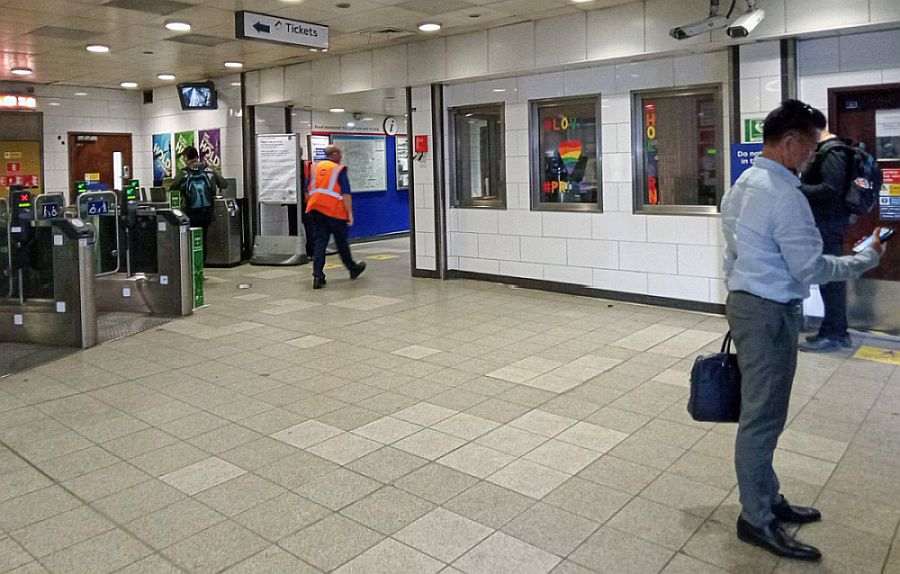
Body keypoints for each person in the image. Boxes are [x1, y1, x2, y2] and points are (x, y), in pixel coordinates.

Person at [721, 99, 886, 561]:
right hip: (770, 312)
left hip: (748, 305)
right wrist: (865, 258)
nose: (813, 157)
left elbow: (732, 255)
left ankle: (768, 498)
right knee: (762, 419)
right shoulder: (785, 196)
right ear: (791, 143)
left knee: (762, 412)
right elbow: (810, 267)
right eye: (812, 148)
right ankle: (755, 518)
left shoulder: (743, 184)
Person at [799, 128, 854, 351]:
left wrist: (799, 188)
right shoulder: (830, 151)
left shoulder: (833, 152)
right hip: (827, 223)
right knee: (829, 280)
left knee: (830, 281)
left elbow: (831, 188)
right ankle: (834, 330)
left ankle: (834, 334)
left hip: (828, 225)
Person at [305, 145, 365, 289]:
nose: (341, 157)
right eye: (340, 154)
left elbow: (306, 190)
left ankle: (317, 276)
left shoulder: (314, 168)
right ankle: (353, 268)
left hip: (316, 210)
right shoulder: (339, 169)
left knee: (320, 243)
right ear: (335, 154)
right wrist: (349, 214)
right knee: (341, 242)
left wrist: (312, 204)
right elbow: (346, 194)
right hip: (335, 212)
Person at [170, 146, 227, 263]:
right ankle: (200, 268)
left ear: (186, 157)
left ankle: (190, 268)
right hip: (207, 213)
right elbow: (224, 184)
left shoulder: (183, 173)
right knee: (202, 240)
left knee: (189, 241)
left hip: (189, 213)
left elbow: (172, 188)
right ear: (197, 156)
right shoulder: (210, 169)